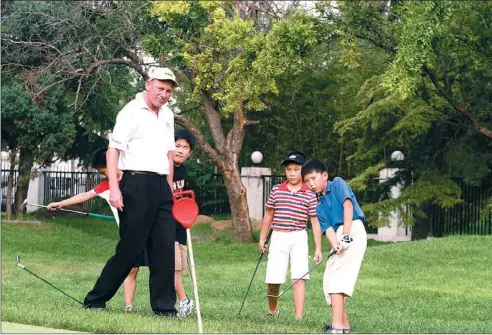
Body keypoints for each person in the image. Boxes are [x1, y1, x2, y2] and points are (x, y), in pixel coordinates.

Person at [82, 67, 179, 316]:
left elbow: (170, 153)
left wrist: (169, 184)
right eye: (160, 88)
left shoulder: (168, 115)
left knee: (165, 246)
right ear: (149, 84)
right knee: (131, 248)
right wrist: (114, 189)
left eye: (168, 90)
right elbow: (112, 151)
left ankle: (164, 307)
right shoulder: (130, 111)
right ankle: (95, 299)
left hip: (161, 186)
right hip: (134, 183)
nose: (164, 94)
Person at [123, 129, 196, 318]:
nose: (180, 151)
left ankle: (184, 299)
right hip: (161, 226)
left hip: (178, 227)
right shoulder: (161, 168)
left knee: (176, 267)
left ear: (190, 152)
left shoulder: (184, 172)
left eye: (185, 148)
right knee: (168, 266)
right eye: (177, 146)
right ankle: (183, 299)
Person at [301, 159, 367, 334]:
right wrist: (335, 245)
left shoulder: (337, 183)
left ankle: (336, 328)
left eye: (313, 178)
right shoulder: (318, 207)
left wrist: (345, 234)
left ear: (324, 175)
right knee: (329, 280)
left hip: (352, 228)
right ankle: (344, 327)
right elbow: (328, 229)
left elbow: (348, 206)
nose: (311, 184)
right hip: (339, 235)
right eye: (307, 181)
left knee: (338, 281)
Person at [258, 151, 322, 320]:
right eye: (289, 169)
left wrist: (318, 248)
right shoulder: (277, 190)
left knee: (299, 277)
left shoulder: (310, 193)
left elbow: (314, 221)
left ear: (303, 170)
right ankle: (272, 311)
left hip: (299, 237)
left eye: (296, 169)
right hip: (279, 236)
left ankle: (298, 318)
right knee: (273, 279)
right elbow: (269, 215)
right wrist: (263, 238)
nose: (292, 173)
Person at [46, 147, 120, 224]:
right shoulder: (104, 186)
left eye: (103, 172)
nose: (102, 176)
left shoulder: (131, 179)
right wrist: (60, 203)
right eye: (100, 173)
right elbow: (84, 195)